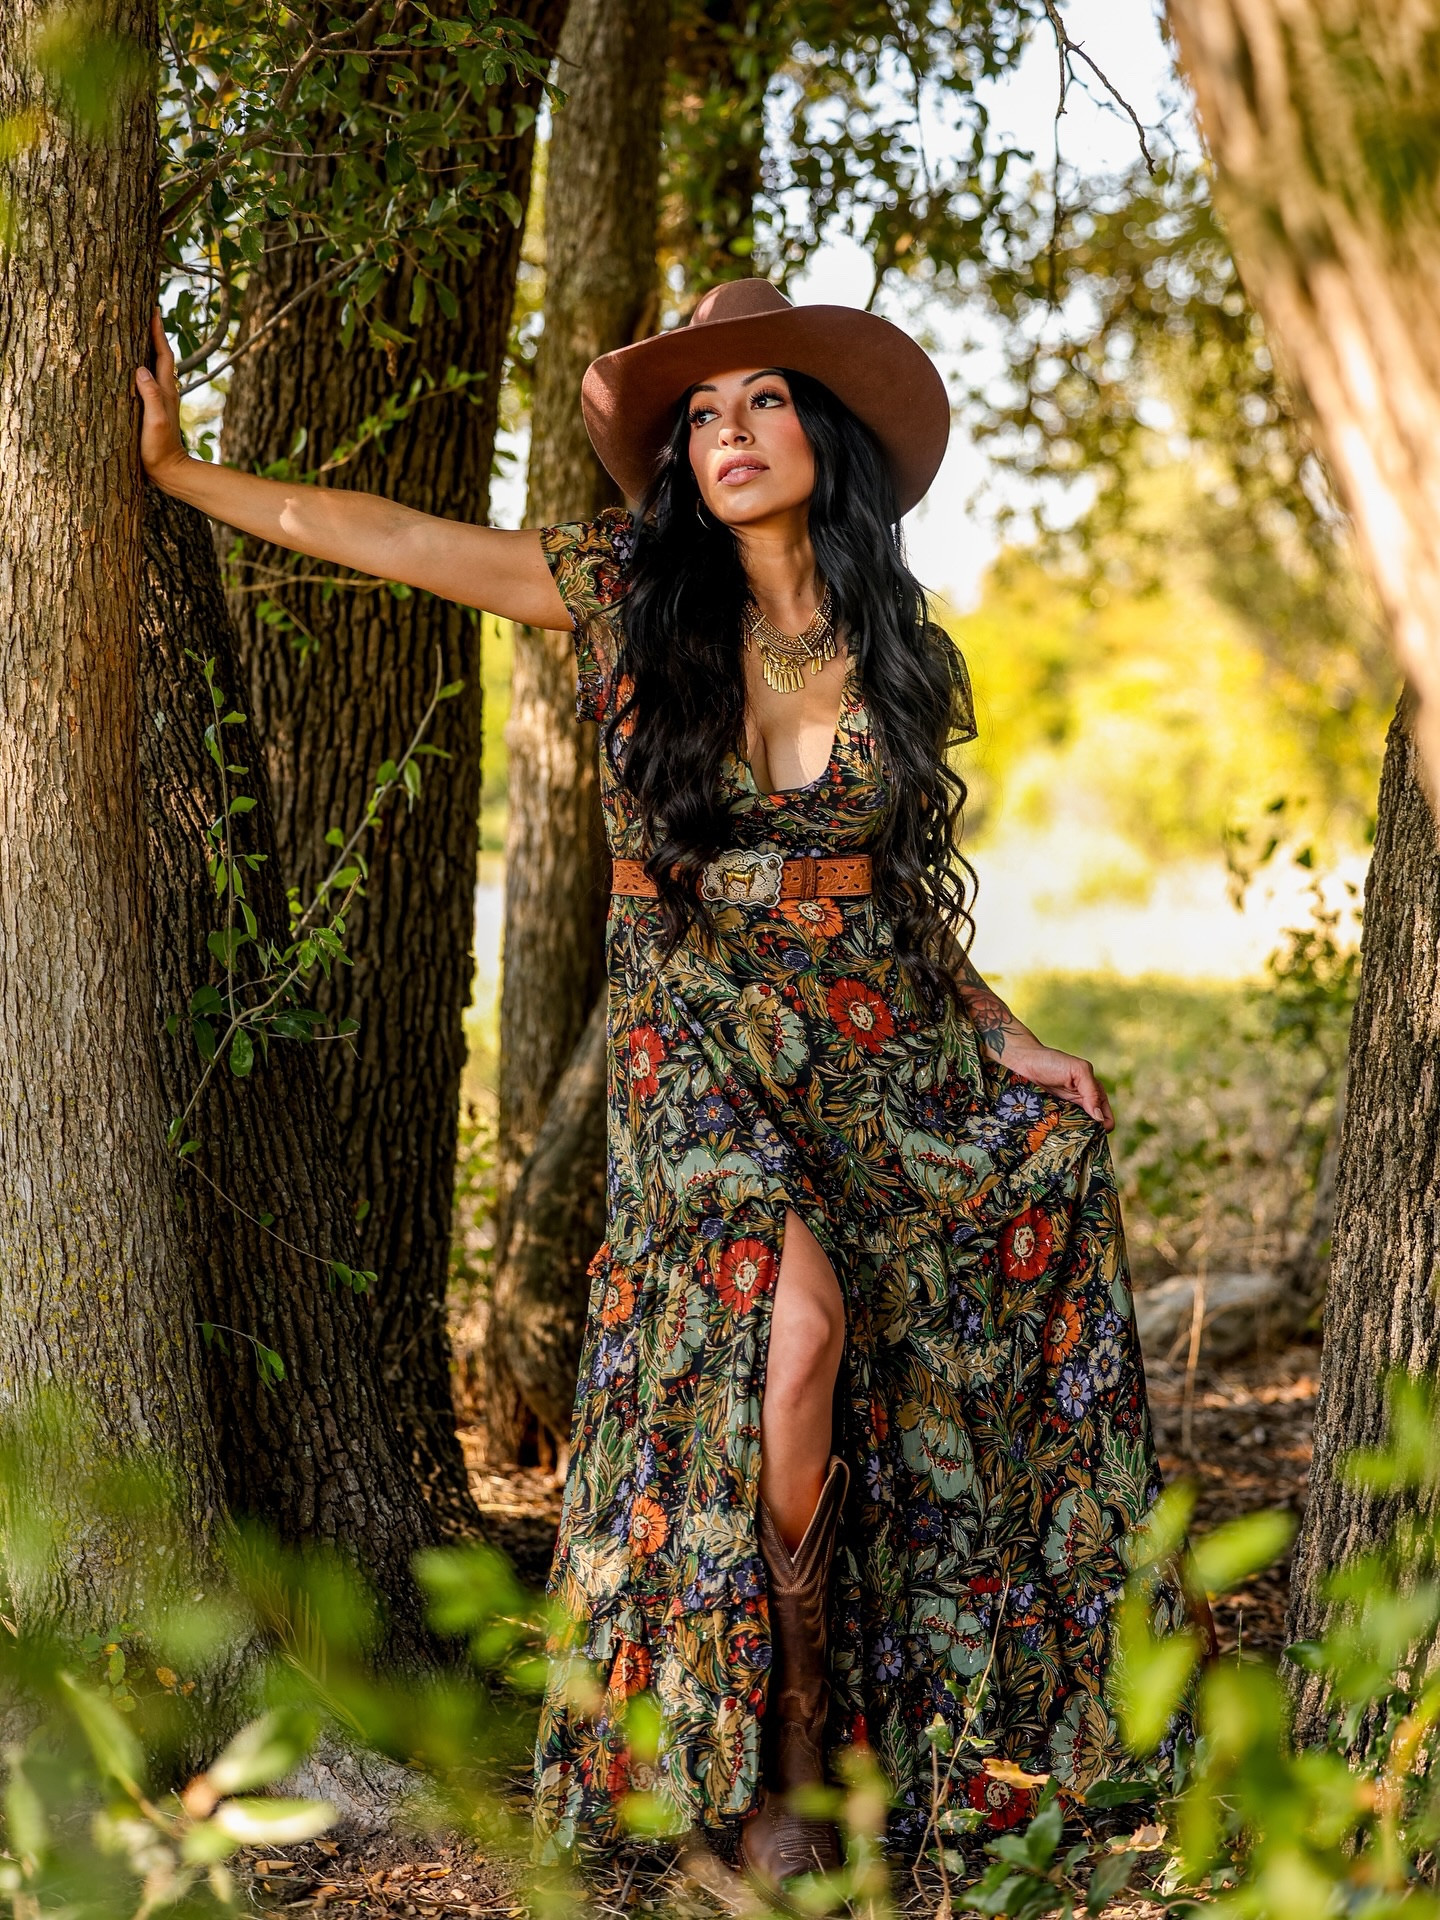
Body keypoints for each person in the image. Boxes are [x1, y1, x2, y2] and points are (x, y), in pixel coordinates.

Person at [136, 278, 1176, 1899]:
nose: (728, 435)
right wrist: (190, 476)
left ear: (819, 434)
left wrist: (998, 1031)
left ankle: (857, 1736)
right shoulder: (625, 590)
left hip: (872, 1046)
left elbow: (905, 894)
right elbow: (402, 538)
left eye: (759, 402)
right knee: (799, 1327)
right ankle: (776, 1756)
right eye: (699, 416)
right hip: (691, 1042)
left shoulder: (900, 643)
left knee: (1030, 1173)